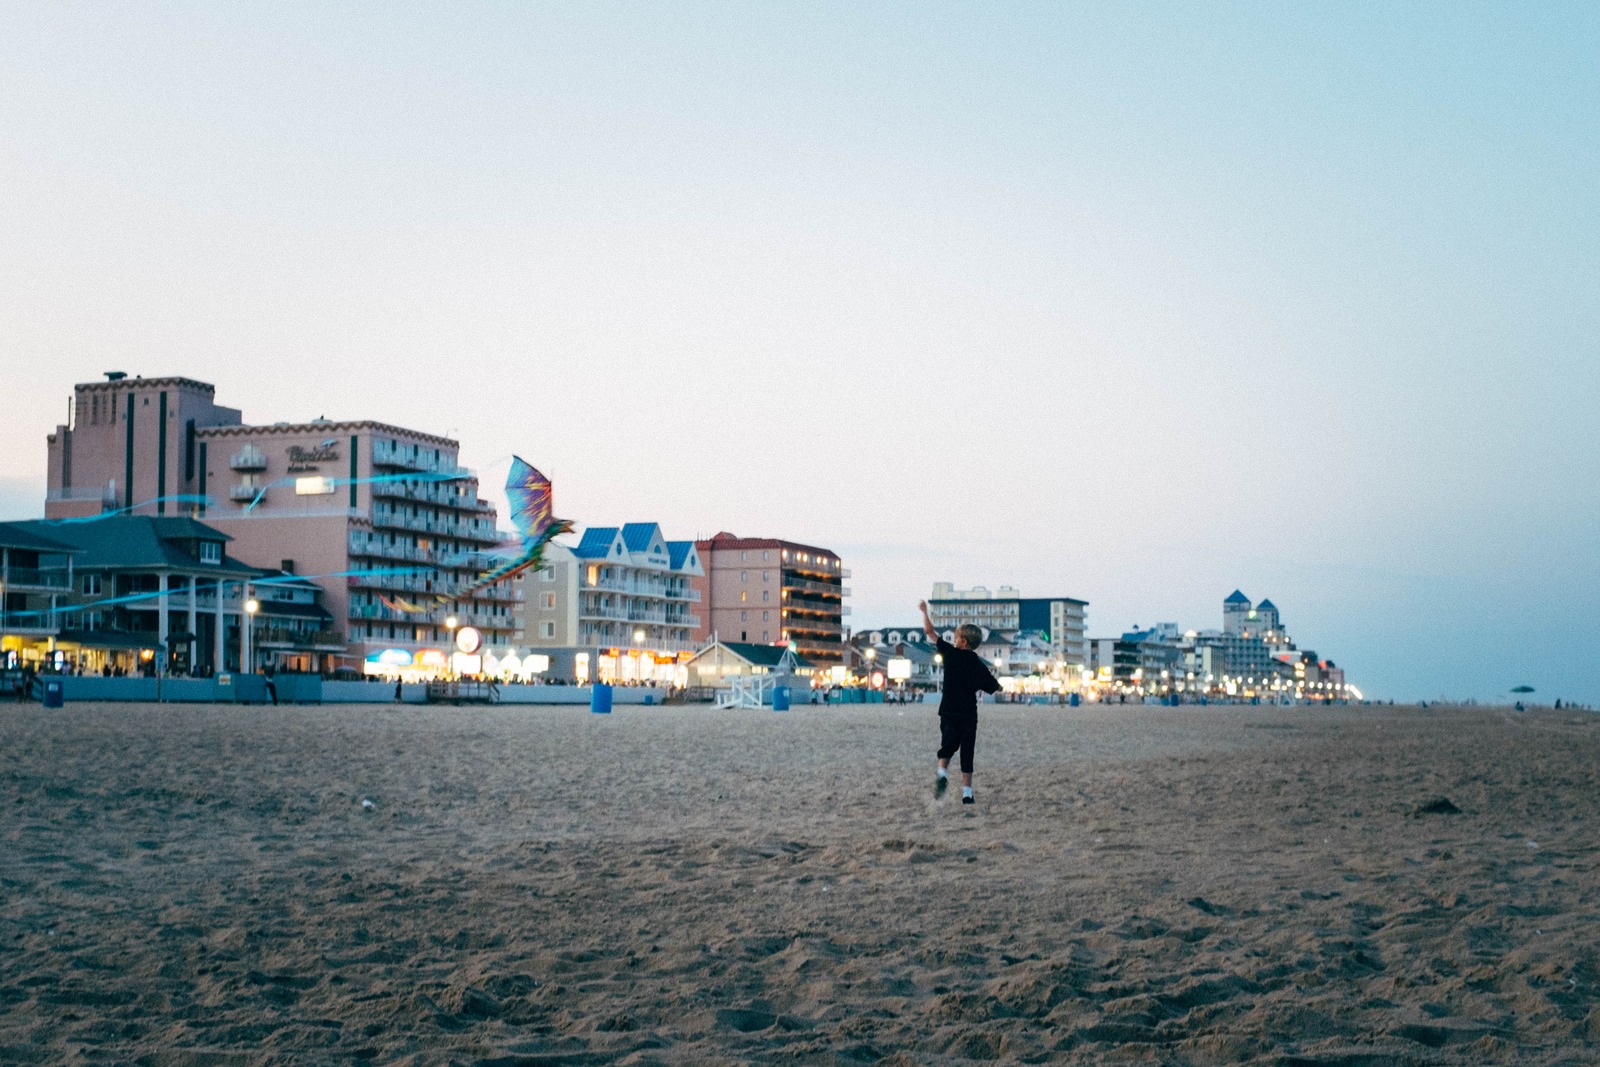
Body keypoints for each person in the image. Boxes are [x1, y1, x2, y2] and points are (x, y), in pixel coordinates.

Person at [920, 600, 1001, 805]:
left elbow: (929, 631)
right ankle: (967, 793)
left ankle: (942, 772)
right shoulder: (977, 664)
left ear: (963, 642)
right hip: (968, 713)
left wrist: (924, 611)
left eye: (956, 637)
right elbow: (993, 686)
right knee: (967, 750)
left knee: (947, 745)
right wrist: (998, 687)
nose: (954, 640)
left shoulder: (951, 654)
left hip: (948, 710)